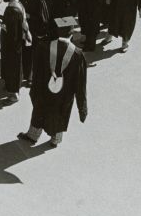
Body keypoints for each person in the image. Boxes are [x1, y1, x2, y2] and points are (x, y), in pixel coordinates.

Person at [18, 17, 88, 148]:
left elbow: (36, 71)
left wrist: (33, 90)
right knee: (60, 114)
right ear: (71, 32)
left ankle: (33, 135)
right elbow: (80, 84)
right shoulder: (78, 55)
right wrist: (82, 108)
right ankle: (55, 139)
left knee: (39, 111)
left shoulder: (44, 47)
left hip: (44, 89)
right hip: (65, 94)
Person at [0, 0, 29, 102]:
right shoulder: (16, 4)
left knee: (12, 67)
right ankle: (12, 87)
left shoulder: (12, 10)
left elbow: (12, 32)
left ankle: (14, 94)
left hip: (12, 45)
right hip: (14, 44)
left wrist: (0, 23)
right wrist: (3, 18)